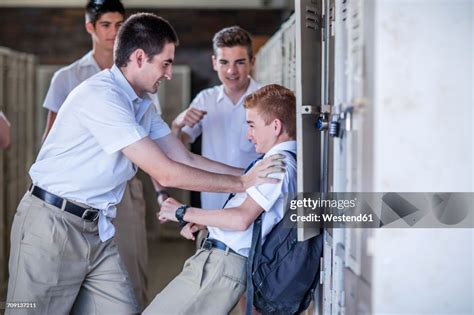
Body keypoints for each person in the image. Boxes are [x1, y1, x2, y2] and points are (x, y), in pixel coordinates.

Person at [6, 13, 283, 315]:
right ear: (139, 58)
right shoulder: (103, 96)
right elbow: (164, 170)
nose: (168, 73)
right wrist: (243, 183)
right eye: (165, 63)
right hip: (52, 225)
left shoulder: (142, 103)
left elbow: (183, 156)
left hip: (96, 229)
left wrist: (251, 172)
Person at [39, 0, 155, 309]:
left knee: (130, 275)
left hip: (123, 189)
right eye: (106, 25)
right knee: (72, 280)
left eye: (120, 25)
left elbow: (158, 144)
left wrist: (163, 190)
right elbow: (49, 140)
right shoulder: (68, 77)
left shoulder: (138, 73)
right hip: (81, 193)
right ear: (90, 27)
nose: (114, 33)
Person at [145, 84, 297, 314]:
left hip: (222, 263)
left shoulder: (277, 165)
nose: (249, 134)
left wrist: (182, 212)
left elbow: (241, 219)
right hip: (218, 259)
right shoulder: (274, 162)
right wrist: (206, 221)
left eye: (252, 125)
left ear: (275, 126)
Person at [171, 26, 260, 210]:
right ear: (214, 63)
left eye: (240, 62)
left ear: (252, 61)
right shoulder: (205, 99)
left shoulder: (266, 99)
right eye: (224, 62)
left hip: (255, 201)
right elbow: (178, 149)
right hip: (214, 204)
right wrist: (177, 124)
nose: (231, 71)